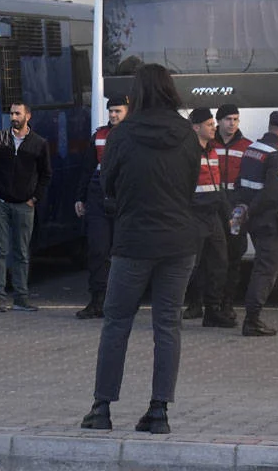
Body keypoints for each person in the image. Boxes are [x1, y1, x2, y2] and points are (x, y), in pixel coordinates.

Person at [79, 63, 199, 435]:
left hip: (133, 241)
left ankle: (101, 408)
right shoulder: (185, 132)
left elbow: (107, 185)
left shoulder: (123, 133)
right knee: (168, 324)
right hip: (180, 241)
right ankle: (159, 410)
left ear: (137, 92)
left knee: (116, 322)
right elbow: (191, 183)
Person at [233, 111, 278, 337]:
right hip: (271, 220)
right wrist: (251, 210)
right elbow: (271, 194)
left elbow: (241, 184)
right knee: (266, 269)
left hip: (256, 221)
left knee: (276, 265)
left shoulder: (252, 150)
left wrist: (244, 209)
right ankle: (252, 320)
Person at [0, 101, 53, 313]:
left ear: (28, 116)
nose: (13, 117)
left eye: (17, 113)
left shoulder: (39, 143)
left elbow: (46, 174)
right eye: (11, 113)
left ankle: (21, 298)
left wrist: (34, 198)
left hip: (24, 204)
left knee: (22, 252)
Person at [75, 95, 130, 319]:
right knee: (98, 251)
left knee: (122, 254)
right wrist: (80, 198)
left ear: (128, 112)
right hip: (98, 198)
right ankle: (97, 301)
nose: (114, 115)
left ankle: (121, 303)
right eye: (111, 112)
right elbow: (86, 169)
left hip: (124, 199)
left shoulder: (133, 136)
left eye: (118, 111)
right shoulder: (98, 135)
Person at [182, 108, 235, 328]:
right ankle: (180, 306)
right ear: (196, 127)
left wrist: (229, 214)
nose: (214, 128)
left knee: (219, 263)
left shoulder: (212, 151)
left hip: (212, 216)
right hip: (194, 216)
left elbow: (218, 186)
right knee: (189, 266)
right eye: (209, 124)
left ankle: (212, 311)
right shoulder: (186, 153)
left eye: (213, 124)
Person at [214, 104, 251, 319]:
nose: (232, 123)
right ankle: (203, 302)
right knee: (211, 257)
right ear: (218, 121)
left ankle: (227, 303)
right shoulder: (207, 145)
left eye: (236, 119)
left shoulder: (247, 146)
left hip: (235, 209)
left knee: (234, 256)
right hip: (214, 208)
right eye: (228, 119)